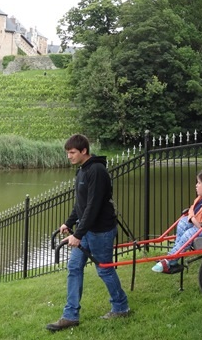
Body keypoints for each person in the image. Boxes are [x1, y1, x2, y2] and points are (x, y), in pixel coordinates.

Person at [46, 134, 130, 332]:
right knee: (74, 268)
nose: (69, 156)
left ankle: (121, 307)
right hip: (86, 231)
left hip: (100, 230)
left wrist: (78, 234)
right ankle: (70, 315)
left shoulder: (97, 170)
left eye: (72, 152)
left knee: (104, 269)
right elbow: (81, 204)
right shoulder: (82, 171)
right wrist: (69, 223)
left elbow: (94, 205)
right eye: (67, 152)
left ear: (84, 151)